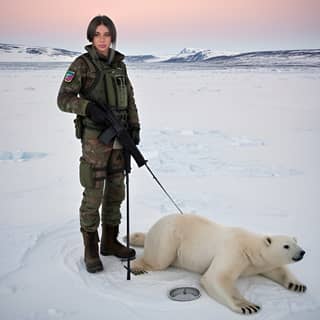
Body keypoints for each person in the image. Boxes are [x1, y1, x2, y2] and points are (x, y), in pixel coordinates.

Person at [57, 15, 140, 273]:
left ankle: (110, 241)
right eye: (97, 34)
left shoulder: (119, 65)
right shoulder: (81, 65)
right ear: (91, 37)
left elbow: (130, 98)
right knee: (93, 191)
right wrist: (88, 108)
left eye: (106, 34)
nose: (102, 39)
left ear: (112, 36)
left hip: (120, 136)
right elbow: (63, 99)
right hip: (95, 139)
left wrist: (135, 127)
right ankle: (90, 247)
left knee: (116, 189)